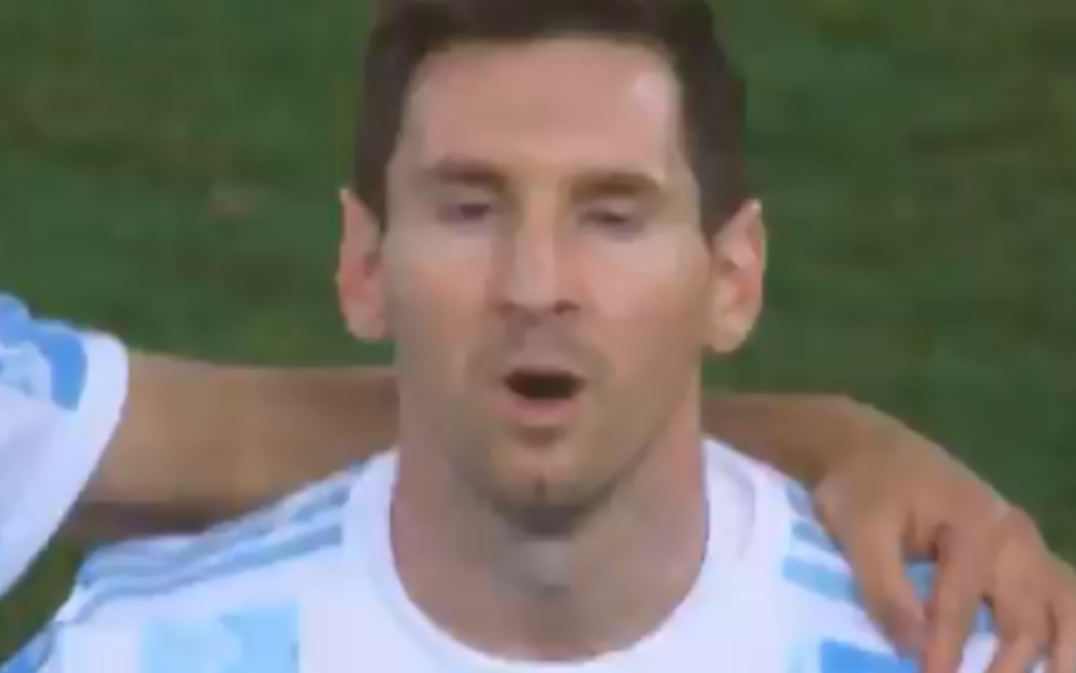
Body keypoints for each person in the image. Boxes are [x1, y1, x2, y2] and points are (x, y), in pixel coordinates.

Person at [5, 1, 1072, 671]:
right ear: (364, 266)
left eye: (612, 215)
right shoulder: (129, 656)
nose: (535, 286)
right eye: (470, 210)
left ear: (732, 278)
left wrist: (842, 438)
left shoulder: (980, 655)